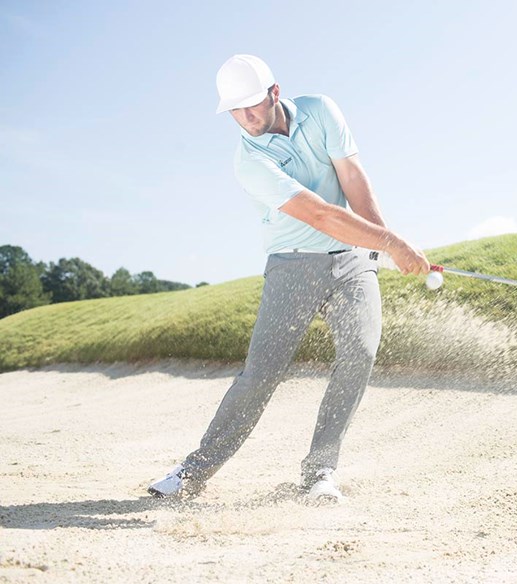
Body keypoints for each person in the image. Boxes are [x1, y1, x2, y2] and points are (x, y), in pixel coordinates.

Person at [148, 54, 429, 502]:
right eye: (235, 111)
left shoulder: (320, 110)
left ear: (275, 93)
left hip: (353, 260)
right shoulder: (248, 161)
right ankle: (192, 473)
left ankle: (319, 472)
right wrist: (394, 243)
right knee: (261, 374)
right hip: (291, 266)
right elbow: (319, 214)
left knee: (361, 351)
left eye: (252, 105)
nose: (245, 117)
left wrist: (380, 244)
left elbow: (352, 178)